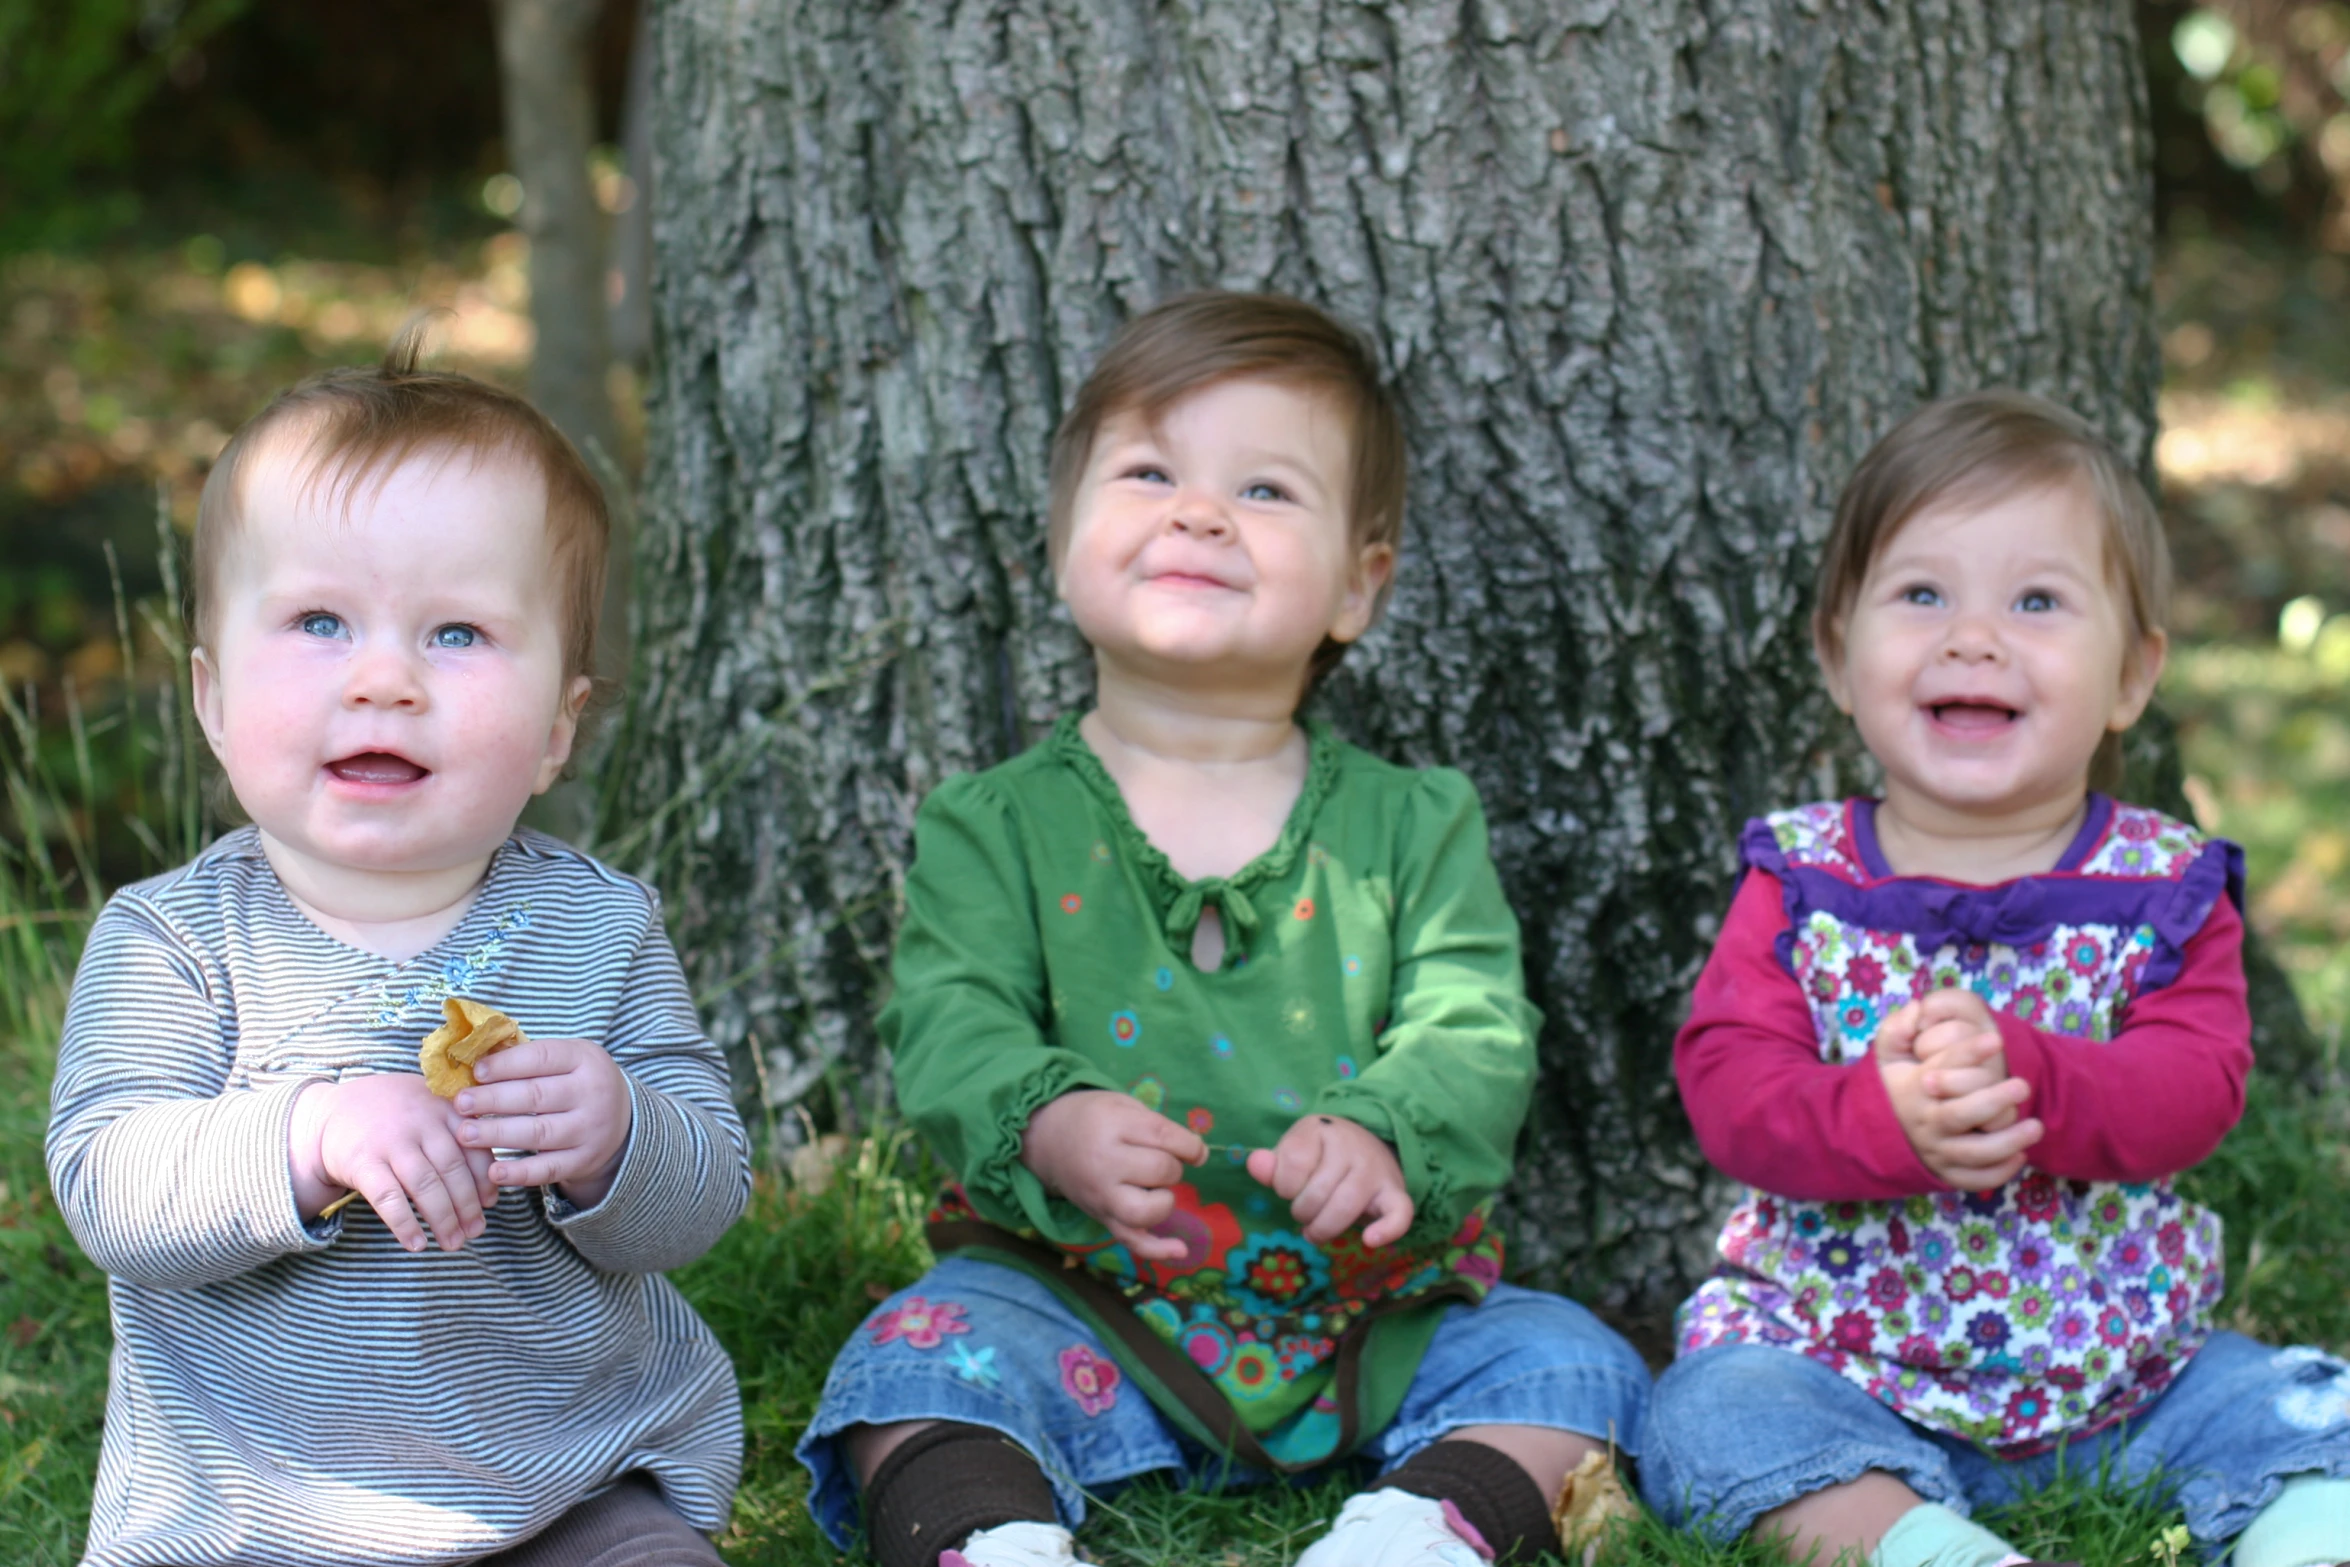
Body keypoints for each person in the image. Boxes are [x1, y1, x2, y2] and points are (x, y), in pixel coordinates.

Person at [794, 292, 1649, 1567]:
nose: (1197, 512)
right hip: (1079, 1291)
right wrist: (1047, 1117)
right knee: (909, 1364)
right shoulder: (995, 824)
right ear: (1061, 535)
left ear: (1359, 589)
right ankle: (996, 1540)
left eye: (1263, 490)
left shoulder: (1412, 823)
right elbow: (950, 1020)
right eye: (1148, 472)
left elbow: (1475, 1024)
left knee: (1573, 1365)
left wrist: (1387, 1128)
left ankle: (1415, 1533)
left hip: (1374, 1309)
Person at [46, 328, 752, 1567]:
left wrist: (620, 1133)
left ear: (556, 730)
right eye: (320, 620)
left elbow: (701, 1196)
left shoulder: (600, 927)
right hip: (253, 1509)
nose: (385, 679)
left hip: (564, 1484)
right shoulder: (174, 939)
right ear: (212, 699)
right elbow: (110, 1181)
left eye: (458, 635)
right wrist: (307, 1135)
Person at [1640, 390, 2350, 1567]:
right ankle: (1928, 1547)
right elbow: (1728, 1083)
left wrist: (2034, 1081)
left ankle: (2306, 1532)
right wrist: (1877, 1116)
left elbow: (2196, 1085)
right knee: (1707, 1418)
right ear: (1835, 652)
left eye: (2036, 601)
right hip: (1839, 1360)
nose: (1973, 637)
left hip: (2127, 1365)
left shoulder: (2160, 883)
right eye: (1922, 595)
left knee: (2291, 1409)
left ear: (2131, 677)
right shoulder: (1804, 877)